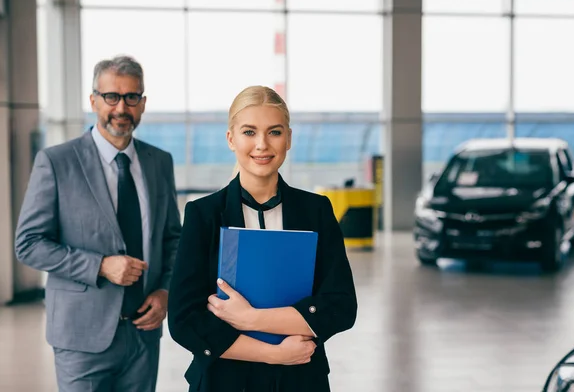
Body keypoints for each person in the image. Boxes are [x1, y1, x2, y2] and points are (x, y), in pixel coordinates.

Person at [168, 85, 358, 392]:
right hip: (224, 380)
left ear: (289, 138)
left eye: (274, 132)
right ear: (231, 139)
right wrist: (275, 354)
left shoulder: (316, 210)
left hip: (301, 379)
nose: (262, 145)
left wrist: (250, 318)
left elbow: (340, 307)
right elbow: (184, 320)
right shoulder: (203, 215)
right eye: (249, 132)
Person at [14, 55, 182, 392]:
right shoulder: (57, 161)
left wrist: (165, 291)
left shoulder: (159, 162)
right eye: (111, 97)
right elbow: (28, 243)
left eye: (131, 97)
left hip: (143, 335)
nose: (121, 107)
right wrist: (100, 265)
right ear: (94, 101)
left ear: (143, 104)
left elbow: (172, 240)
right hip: (81, 336)